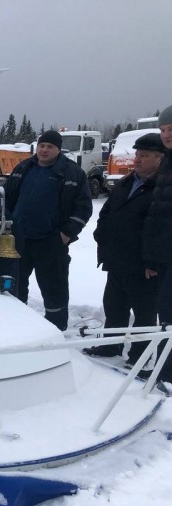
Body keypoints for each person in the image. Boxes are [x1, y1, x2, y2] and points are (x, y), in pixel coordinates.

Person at [85, 133, 165, 368]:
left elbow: (162, 228)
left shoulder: (162, 187)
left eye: (145, 156)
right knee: (114, 307)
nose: (137, 160)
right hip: (117, 259)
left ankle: (139, 358)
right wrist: (101, 237)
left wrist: (154, 261)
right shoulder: (127, 182)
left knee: (144, 314)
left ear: (160, 159)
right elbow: (107, 212)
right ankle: (111, 346)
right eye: (137, 154)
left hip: (144, 265)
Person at [5, 130, 92, 330]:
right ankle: (16, 326)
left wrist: (66, 233)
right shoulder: (23, 168)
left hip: (51, 242)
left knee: (54, 290)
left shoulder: (72, 173)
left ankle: (56, 331)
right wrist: (7, 225)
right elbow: (8, 199)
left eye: (50, 146)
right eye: (42, 145)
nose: (44, 150)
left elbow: (84, 207)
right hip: (19, 239)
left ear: (58, 149)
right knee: (16, 286)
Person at [142, 105, 172, 382]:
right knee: (167, 314)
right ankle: (165, 371)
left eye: (171, 128)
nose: (166, 134)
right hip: (165, 254)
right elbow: (159, 214)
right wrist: (152, 258)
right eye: (163, 129)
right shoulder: (168, 162)